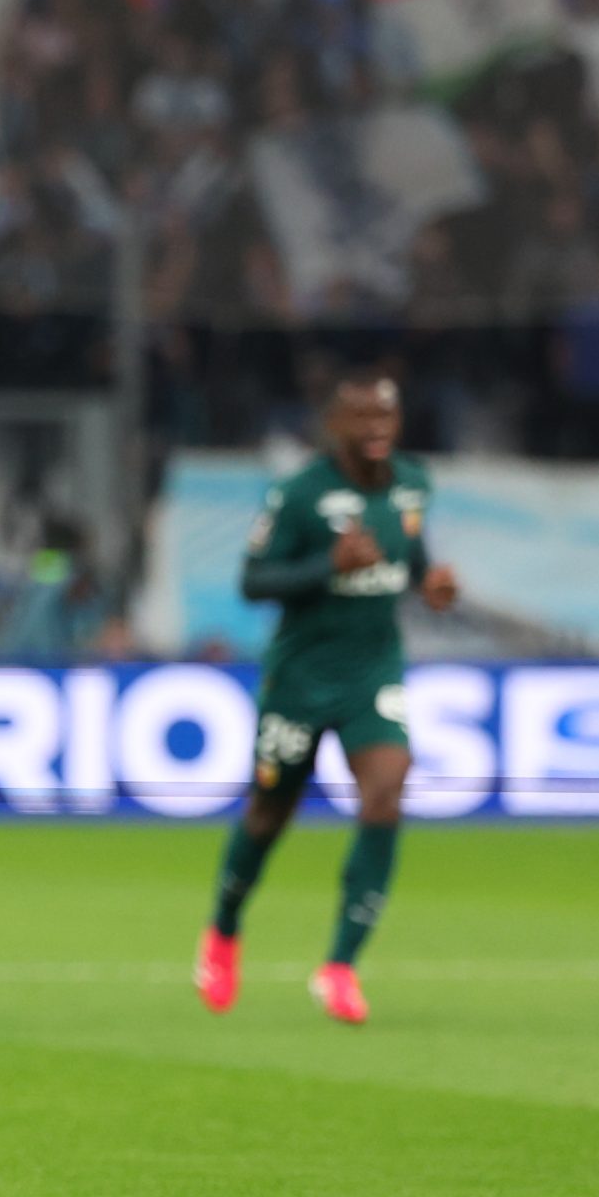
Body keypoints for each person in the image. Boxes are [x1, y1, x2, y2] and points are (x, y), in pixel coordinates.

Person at [196, 375, 459, 1026]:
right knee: (269, 813)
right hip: (301, 679)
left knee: (388, 788)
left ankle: (340, 964)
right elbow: (254, 580)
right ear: (334, 425)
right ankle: (225, 927)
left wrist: (431, 582)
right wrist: (325, 567)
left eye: (388, 414)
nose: (378, 426)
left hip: (373, 669)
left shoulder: (413, 483)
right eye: (363, 415)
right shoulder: (300, 494)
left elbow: (412, 553)